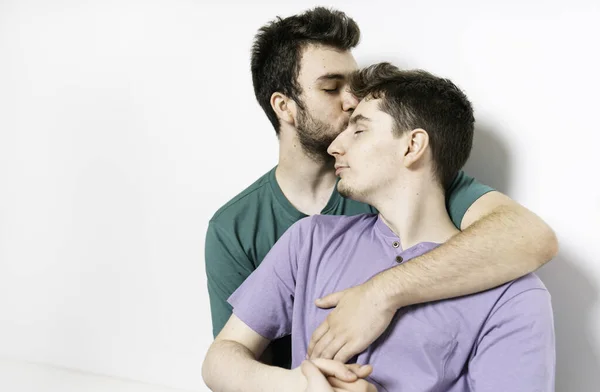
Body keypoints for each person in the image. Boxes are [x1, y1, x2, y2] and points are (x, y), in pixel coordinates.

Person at [205, 7, 558, 369]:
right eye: (331, 88)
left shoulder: (400, 180)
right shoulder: (236, 228)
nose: (350, 100)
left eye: (352, 87)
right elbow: (238, 367)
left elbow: (530, 237)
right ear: (284, 106)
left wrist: (379, 293)